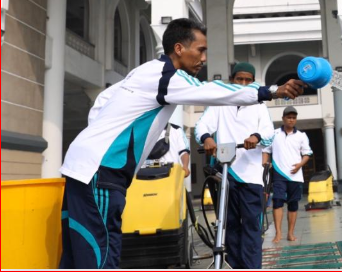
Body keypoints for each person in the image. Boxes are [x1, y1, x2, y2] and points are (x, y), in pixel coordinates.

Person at [58, 18, 306, 269]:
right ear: (179, 49)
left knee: (76, 255)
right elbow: (213, 91)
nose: (203, 58)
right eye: (200, 50)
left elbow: (102, 101)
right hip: (101, 171)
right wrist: (272, 91)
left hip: (84, 166)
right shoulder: (170, 76)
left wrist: (97, 138)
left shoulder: (145, 71)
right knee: (100, 254)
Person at [194, 62, 275, 269]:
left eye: (248, 80)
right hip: (226, 175)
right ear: (233, 80)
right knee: (228, 226)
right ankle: (236, 266)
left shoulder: (259, 105)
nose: (244, 83)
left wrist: (256, 137)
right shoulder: (221, 103)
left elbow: (268, 133)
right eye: (240, 79)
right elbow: (201, 126)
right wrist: (206, 138)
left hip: (251, 177)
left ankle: (252, 267)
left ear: (253, 82)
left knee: (251, 227)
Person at [265, 106, 312, 243]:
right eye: (288, 117)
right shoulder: (274, 134)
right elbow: (266, 151)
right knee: (278, 202)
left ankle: (290, 233)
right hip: (279, 174)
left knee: (293, 205)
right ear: (283, 118)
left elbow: (307, 154)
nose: (291, 120)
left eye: (293, 117)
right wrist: (266, 164)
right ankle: (278, 233)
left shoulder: (301, 136)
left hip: (295, 176)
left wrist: (299, 165)